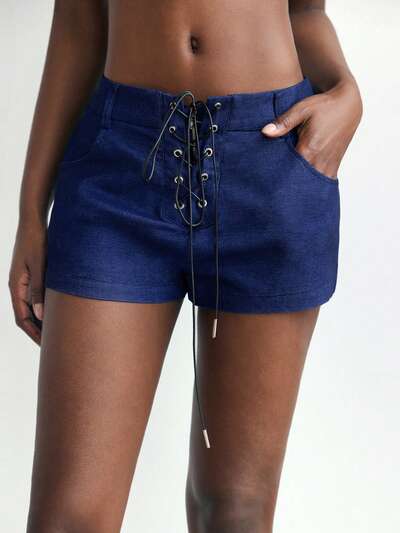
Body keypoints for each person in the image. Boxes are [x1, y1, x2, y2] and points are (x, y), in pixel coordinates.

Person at [9, 1, 362, 531]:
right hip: (119, 171)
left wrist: (346, 92)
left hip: (269, 161)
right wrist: (31, 213)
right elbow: (79, 23)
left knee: (235, 509)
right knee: (68, 517)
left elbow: (305, 12)